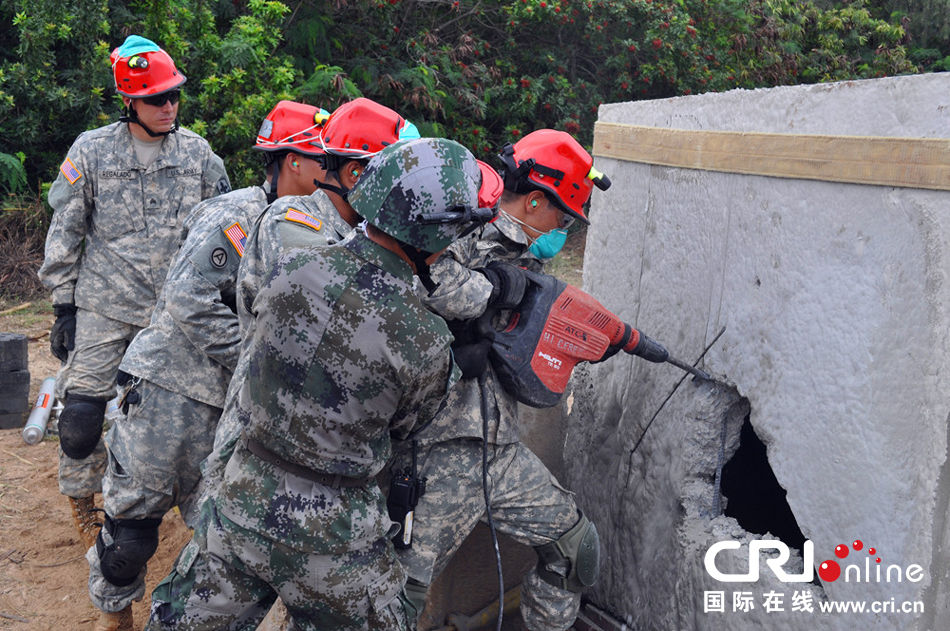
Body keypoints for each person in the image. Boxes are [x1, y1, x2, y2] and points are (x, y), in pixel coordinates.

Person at [146, 137, 496, 631]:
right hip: (334, 533)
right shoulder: (423, 336)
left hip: (241, 496)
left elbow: (250, 329)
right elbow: (407, 426)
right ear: (437, 235)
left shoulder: (291, 266)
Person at [84, 100, 326, 631]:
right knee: (130, 535)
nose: (329, 169)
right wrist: (257, 359)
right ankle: (114, 618)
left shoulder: (316, 229)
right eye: (320, 158)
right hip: (169, 391)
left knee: (221, 537)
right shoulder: (234, 214)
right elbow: (189, 297)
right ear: (292, 161)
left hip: (235, 410)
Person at [392, 129, 611, 630]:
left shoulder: (523, 259)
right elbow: (422, 290)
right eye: (563, 215)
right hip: (433, 456)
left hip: (498, 452)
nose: (565, 229)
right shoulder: (454, 232)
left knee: (575, 551)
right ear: (536, 200)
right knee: (393, 601)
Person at [38, 35, 229, 551]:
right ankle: (84, 502)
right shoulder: (92, 151)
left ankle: (178, 509)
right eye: (156, 98)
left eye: (173, 96)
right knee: (79, 420)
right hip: (104, 304)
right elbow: (66, 230)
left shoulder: (198, 155)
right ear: (130, 102)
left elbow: (221, 230)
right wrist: (62, 303)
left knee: (187, 412)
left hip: (174, 313)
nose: (169, 107)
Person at [199, 97, 413, 496]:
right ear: (353, 175)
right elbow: (336, 299)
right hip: (260, 440)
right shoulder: (293, 222)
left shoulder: (364, 236)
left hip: (320, 448)